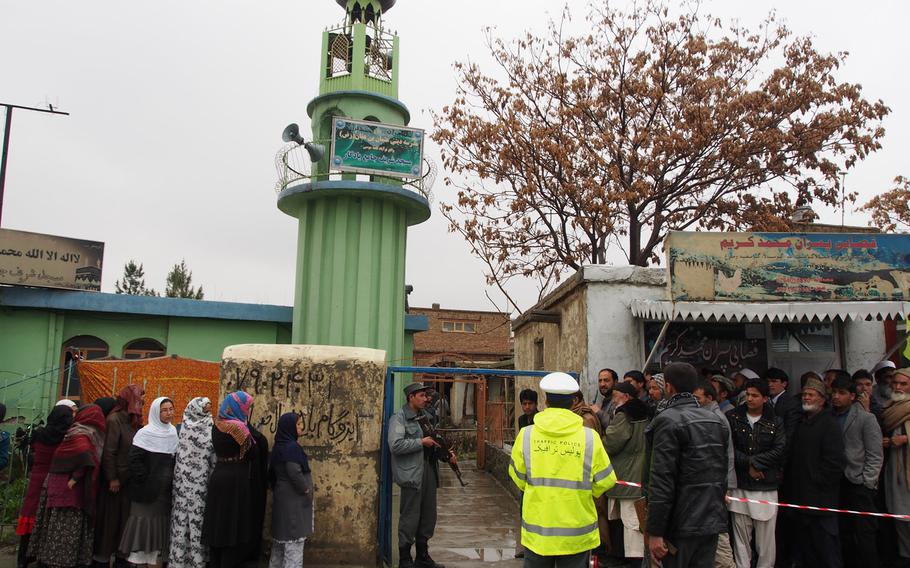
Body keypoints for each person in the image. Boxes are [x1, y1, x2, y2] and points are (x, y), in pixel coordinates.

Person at [509, 372, 616, 567]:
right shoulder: (590, 438)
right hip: (577, 535)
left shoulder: (526, 436)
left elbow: (518, 478)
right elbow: (606, 480)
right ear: (573, 402)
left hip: (538, 535)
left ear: (546, 401)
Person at [643, 362, 728, 568]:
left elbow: (662, 479)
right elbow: (721, 473)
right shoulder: (715, 419)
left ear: (669, 387)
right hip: (710, 519)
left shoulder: (667, 420)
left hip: (680, 524)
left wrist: (655, 531)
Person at [28, 404, 107, 568]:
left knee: (55, 524)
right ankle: (61, 560)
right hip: (69, 490)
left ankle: (50, 557)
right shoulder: (82, 433)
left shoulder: (74, 431)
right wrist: (76, 476)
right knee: (65, 527)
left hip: (56, 485)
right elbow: (84, 455)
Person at [388, 382, 454, 568]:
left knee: (428, 515)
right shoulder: (399, 418)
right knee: (410, 516)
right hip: (412, 474)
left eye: (426, 396)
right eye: (422, 396)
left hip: (429, 470)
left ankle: (423, 555)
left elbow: (433, 441)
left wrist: (447, 454)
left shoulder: (425, 417)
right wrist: (420, 442)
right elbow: (395, 445)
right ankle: (405, 558)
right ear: (411, 397)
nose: (426, 399)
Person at [783, 377, 845, 568]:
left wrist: (818, 482)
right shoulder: (802, 423)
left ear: (822, 399)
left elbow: (834, 463)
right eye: (804, 395)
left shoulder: (829, 424)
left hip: (821, 503)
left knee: (826, 552)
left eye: (811, 395)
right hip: (802, 502)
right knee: (807, 552)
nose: (806, 398)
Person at [202, 391, 269, 568]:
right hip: (235, 479)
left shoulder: (217, 424)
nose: (247, 411)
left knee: (218, 523)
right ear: (239, 408)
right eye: (246, 407)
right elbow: (253, 453)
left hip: (219, 474)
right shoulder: (238, 428)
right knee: (232, 524)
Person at [727, 379, 786, 568]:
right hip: (741, 484)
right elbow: (729, 448)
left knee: (766, 542)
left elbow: (780, 449)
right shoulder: (733, 417)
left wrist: (756, 464)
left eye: (755, 395)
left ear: (765, 398)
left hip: (765, 485)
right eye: (748, 395)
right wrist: (749, 464)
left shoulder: (775, 421)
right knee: (741, 540)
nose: (750, 399)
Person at [830, 375, 883, 568]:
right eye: (834, 392)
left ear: (852, 396)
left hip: (859, 484)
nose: (836, 397)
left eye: (841, 393)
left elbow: (875, 454)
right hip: (837, 484)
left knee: (865, 536)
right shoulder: (828, 417)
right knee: (843, 533)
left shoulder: (865, 418)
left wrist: (868, 482)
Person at [119, 397, 178, 567]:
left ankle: (154, 562)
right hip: (146, 493)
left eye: (171, 409)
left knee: (159, 530)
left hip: (164, 493)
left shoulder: (173, 432)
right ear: (156, 412)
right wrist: (146, 480)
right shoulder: (145, 433)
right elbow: (134, 460)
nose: (169, 413)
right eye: (164, 410)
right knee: (143, 527)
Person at [15, 405, 74, 568]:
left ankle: (23, 558)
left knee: (30, 514)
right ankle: (42, 555)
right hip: (55, 480)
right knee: (47, 519)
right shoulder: (66, 438)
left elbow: (30, 453)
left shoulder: (39, 434)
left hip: (36, 478)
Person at [95, 384, 145, 568]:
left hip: (129, 480)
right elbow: (109, 451)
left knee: (125, 522)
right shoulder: (115, 420)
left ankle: (122, 557)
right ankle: (103, 558)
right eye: (138, 399)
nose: (141, 403)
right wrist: (112, 477)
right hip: (116, 482)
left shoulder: (134, 421)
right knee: (111, 522)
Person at [602, 381, 647, 564]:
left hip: (627, 475)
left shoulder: (624, 415)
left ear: (626, 397)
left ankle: (632, 562)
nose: (613, 401)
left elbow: (612, 442)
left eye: (615, 396)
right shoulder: (645, 412)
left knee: (630, 525)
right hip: (638, 474)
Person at [692, 380, 736, 568]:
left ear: (709, 398)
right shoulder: (706, 416)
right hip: (711, 487)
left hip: (717, 487)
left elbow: (719, 456)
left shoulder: (716, 419)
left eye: (697, 398)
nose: (694, 401)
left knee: (719, 538)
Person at [169, 397, 216, 568]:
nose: (209, 410)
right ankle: (179, 560)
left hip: (202, 484)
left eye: (209, 407)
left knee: (199, 522)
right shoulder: (185, 426)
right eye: (206, 407)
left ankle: (198, 561)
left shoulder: (211, 426)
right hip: (183, 485)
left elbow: (213, 457)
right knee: (182, 522)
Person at [268, 413, 315, 568]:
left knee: (280, 546)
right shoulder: (291, 448)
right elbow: (293, 471)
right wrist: (306, 489)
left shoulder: (279, 446)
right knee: (293, 546)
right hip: (293, 501)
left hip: (283, 498)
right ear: (289, 427)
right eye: (298, 424)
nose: (302, 427)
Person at [882, 368, 910, 564]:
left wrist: (906, 438)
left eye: (903, 384)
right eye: (896, 383)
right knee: (900, 521)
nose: (898, 387)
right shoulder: (889, 408)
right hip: (896, 473)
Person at [764, 368, 801, 443]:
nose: (769, 384)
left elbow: (790, 432)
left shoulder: (792, 403)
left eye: (774, 381)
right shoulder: (765, 401)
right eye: (767, 381)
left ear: (784, 383)